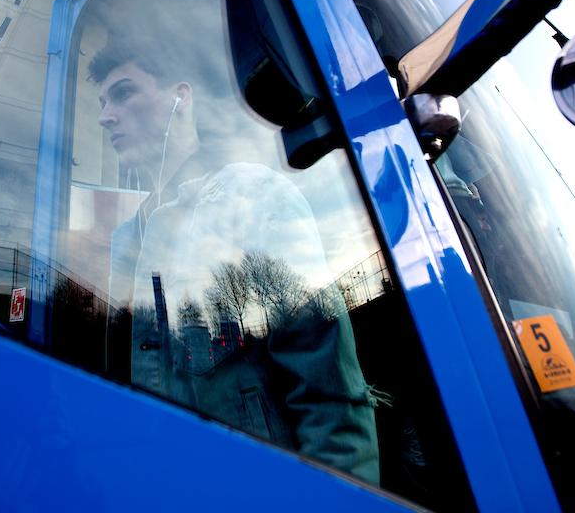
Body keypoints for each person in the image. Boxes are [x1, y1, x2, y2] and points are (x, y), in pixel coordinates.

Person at [89, 37, 380, 483]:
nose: (105, 115)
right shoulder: (127, 238)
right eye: (103, 101)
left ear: (178, 97)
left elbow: (330, 397)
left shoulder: (254, 197)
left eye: (124, 93)